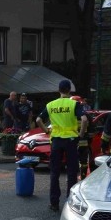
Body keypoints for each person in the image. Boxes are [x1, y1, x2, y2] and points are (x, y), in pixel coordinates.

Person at [37, 79, 87, 211]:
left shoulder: (50, 105)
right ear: (69, 90)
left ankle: (54, 203)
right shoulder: (74, 104)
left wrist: (47, 131)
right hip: (71, 140)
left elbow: (38, 120)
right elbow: (84, 119)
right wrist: (80, 134)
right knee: (71, 172)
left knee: (54, 172)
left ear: (59, 90)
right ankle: (70, 203)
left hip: (56, 141)